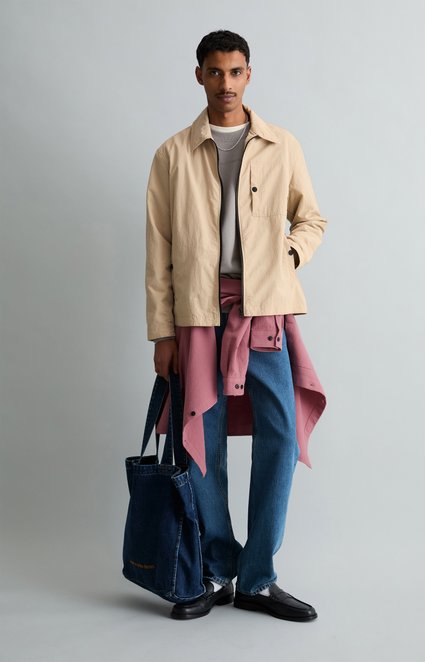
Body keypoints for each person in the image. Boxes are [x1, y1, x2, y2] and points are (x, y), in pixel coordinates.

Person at [145, 29, 327, 621]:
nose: (226, 83)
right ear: (199, 75)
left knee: (281, 435)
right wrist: (162, 333)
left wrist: (288, 255)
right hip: (198, 314)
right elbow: (159, 248)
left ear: (249, 74)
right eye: (216, 72)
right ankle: (218, 570)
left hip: (264, 310)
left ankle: (258, 577)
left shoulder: (281, 145)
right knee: (205, 440)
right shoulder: (172, 154)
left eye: (236, 71)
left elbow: (311, 219)